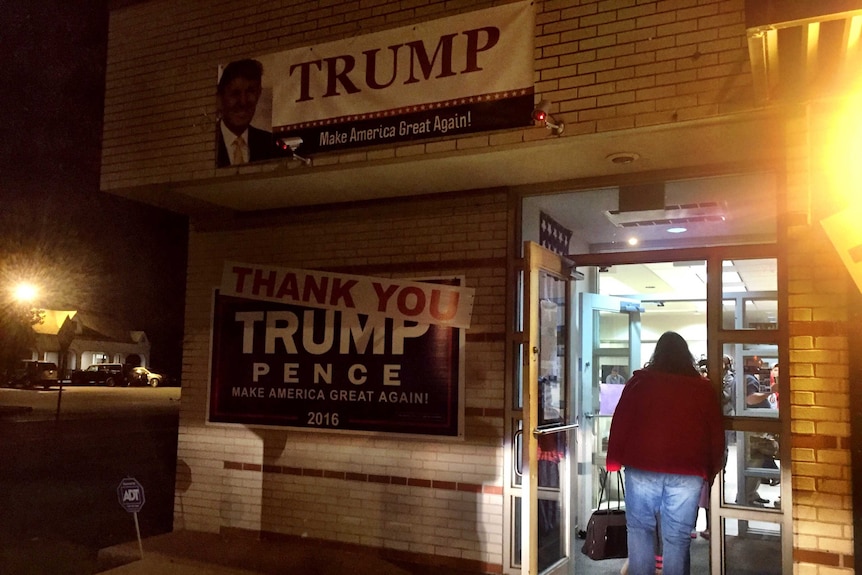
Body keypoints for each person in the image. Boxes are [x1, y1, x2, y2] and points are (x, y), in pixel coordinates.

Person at [606, 332, 724, 575]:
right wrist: (711, 469)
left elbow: (621, 422)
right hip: (688, 471)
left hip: (642, 468)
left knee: (640, 530)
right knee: (678, 537)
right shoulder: (702, 389)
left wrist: (613, 462)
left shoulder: (639, 383)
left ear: (656, 354)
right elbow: (715, 432)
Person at [216, 58, 283, 167]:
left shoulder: (270, 144)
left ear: (259, 93)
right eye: (235, 93)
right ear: (220, 97)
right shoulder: (207, 143)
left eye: (250, 91)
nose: (243, 101)